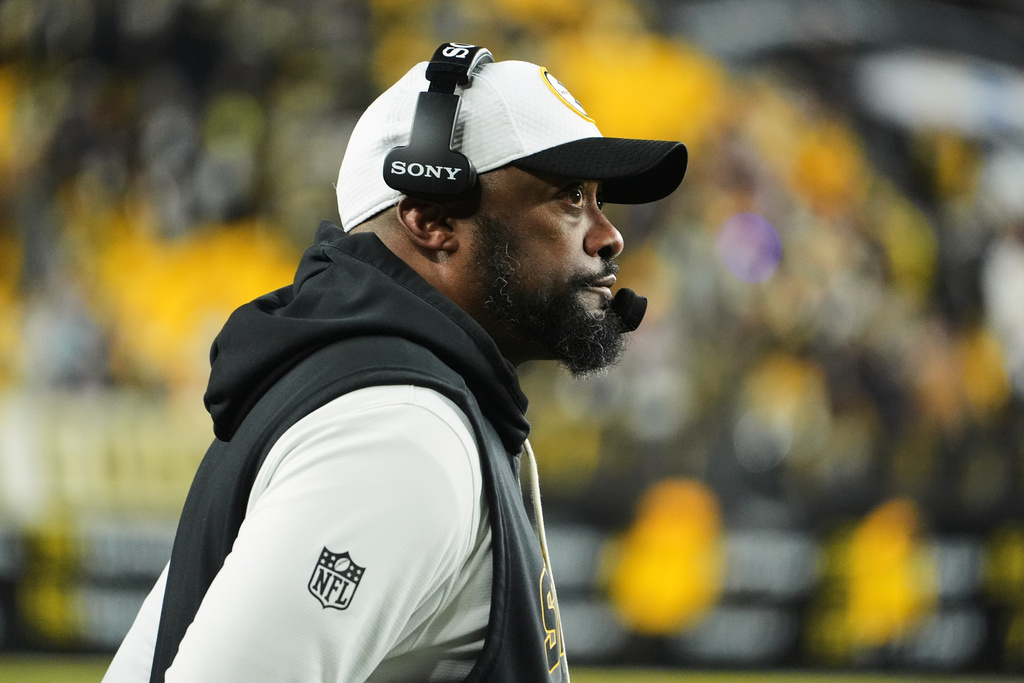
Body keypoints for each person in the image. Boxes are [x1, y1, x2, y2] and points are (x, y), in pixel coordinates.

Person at [104, 43, 687, 682]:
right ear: (432, 219)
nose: (609, 235)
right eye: (571, 197)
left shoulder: (360, 392)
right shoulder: (400, 428)